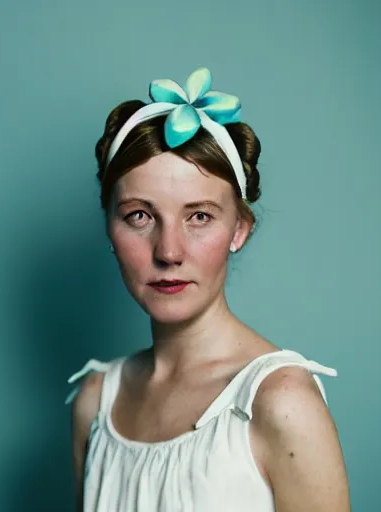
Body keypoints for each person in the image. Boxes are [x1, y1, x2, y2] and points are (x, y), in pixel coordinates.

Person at [66, 67, 350, 511]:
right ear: (109, 227)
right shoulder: (95, 402)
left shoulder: (280, 402)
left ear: (239, 229)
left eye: (199, 216)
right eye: (139, 215)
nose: (169, 251)